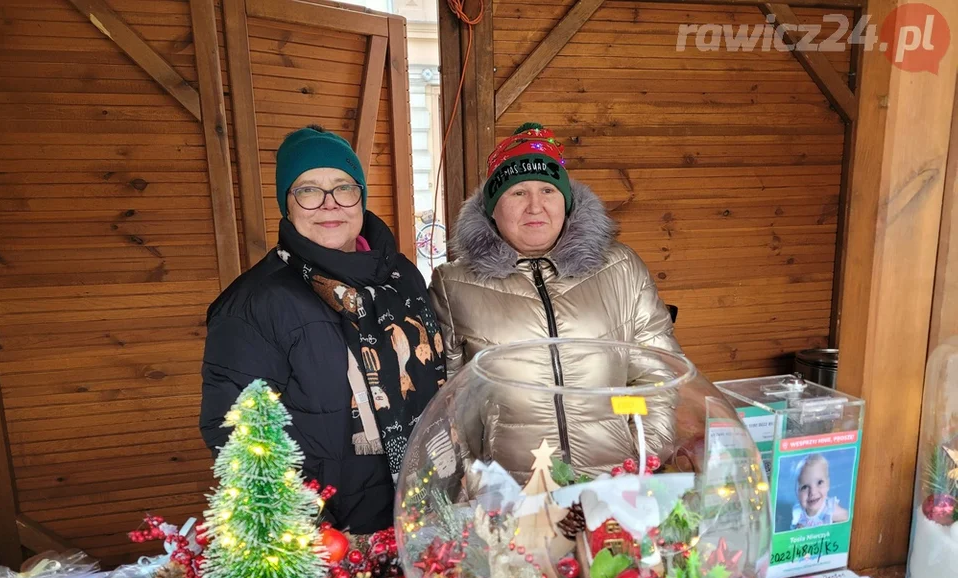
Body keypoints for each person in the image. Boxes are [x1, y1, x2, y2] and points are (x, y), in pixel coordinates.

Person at [199, 126, 445, 534]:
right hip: (337, 538)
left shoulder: (401, 276)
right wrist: (312, 535)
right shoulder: (255, 305)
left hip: (429, 515)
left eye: (343, 188)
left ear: (361, 197)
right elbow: (238, 435)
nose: (330, 205)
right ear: (288, 205)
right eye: (309, 190)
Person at [429, 122, 681, 478]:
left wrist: (642, 460)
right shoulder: (453, 284)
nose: (535, 206)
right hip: (512, 492)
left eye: (548, 190)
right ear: (492, 208)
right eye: (517, 193)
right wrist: (477, 483)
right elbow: (448, 403)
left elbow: (659, 372)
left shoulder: (621, 267)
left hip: (615, 484)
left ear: (566, 200)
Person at [790, 453, 849, 529]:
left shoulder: (830, 509)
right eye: (805, 487)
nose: (813, 492)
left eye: (819, 482)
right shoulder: (798, 511)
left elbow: (848, 518)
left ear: (828, 484)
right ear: (797, 493)